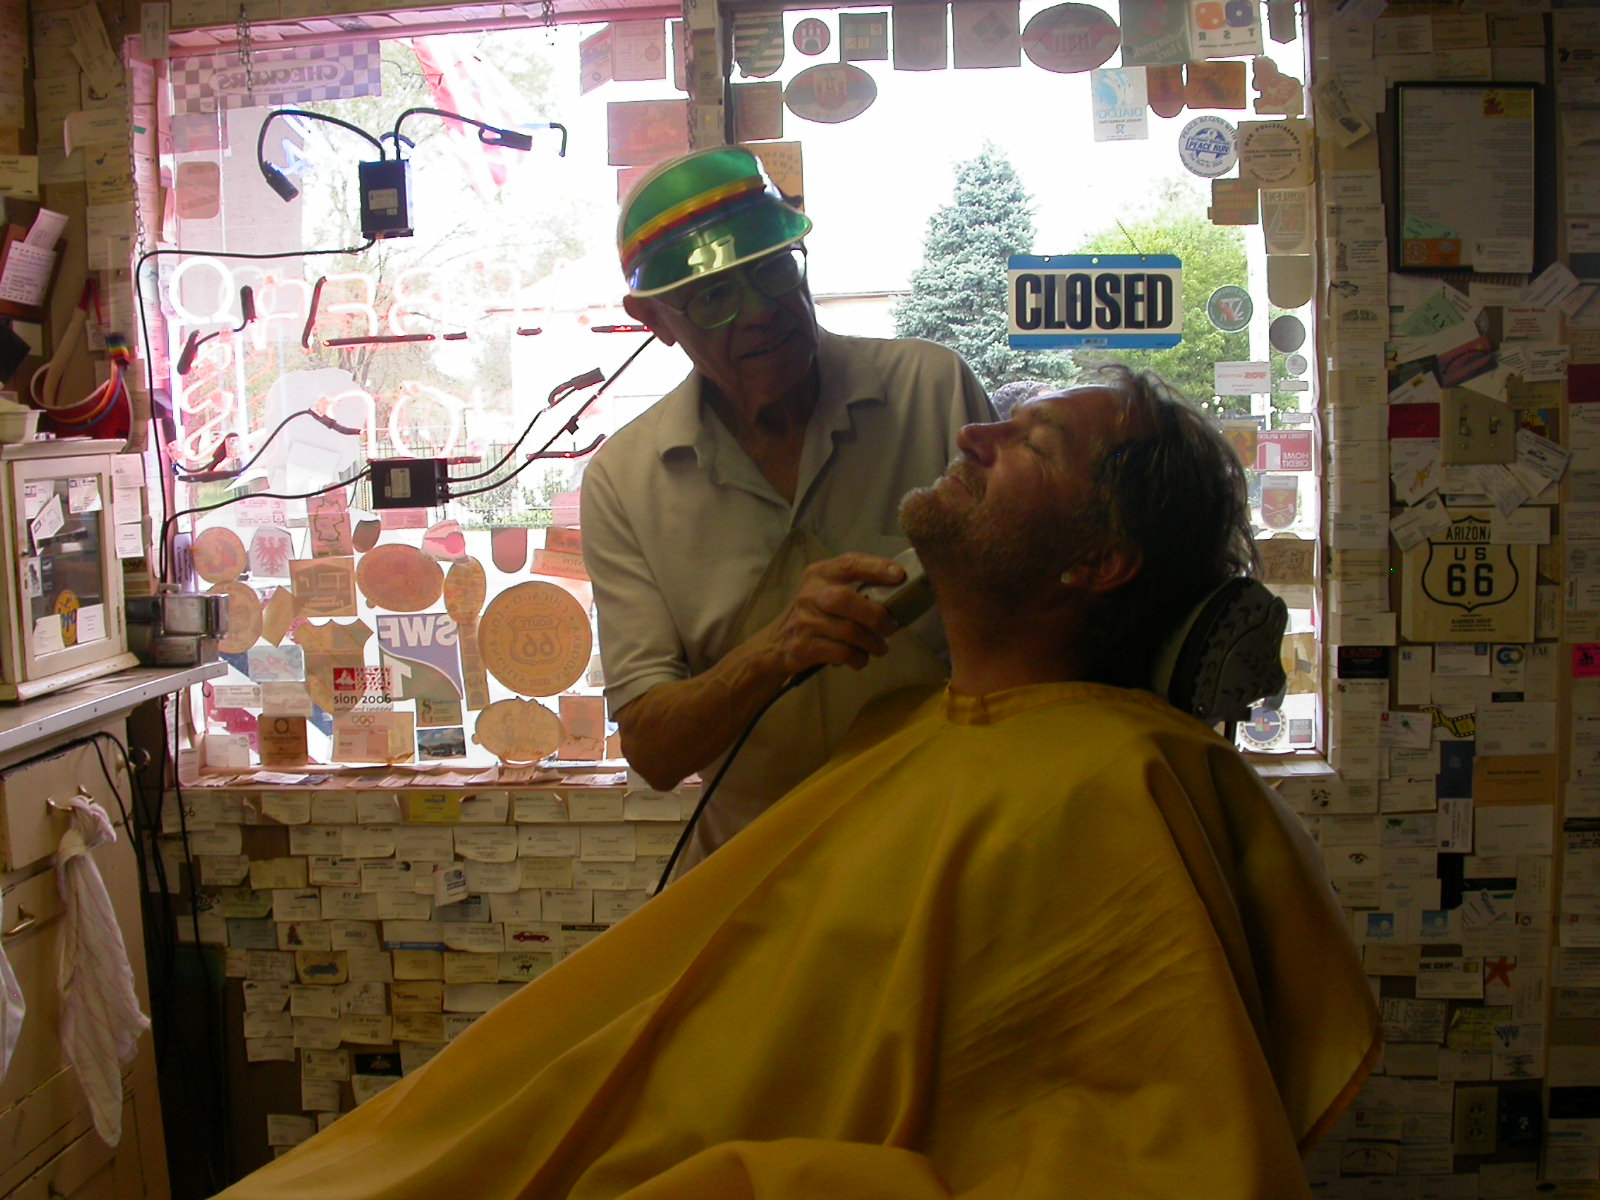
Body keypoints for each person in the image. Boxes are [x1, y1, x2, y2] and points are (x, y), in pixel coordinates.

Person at [212, 367, 1377, 1200]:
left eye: (1029, 444)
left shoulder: (1118, 786)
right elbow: (657, 747)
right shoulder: (904, 730)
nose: (973, 435)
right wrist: (771, 651)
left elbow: (1115, 1156)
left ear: (1097, 561)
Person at [580, 144, 993, 871]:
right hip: (760, 867)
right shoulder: (625, 479)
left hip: (951, 846)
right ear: (655, 319)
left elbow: (1034, 608)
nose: (762, 312)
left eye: (773, 270)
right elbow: (654, 751)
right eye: (714, 296)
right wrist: (775, 650)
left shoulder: (931, 389)